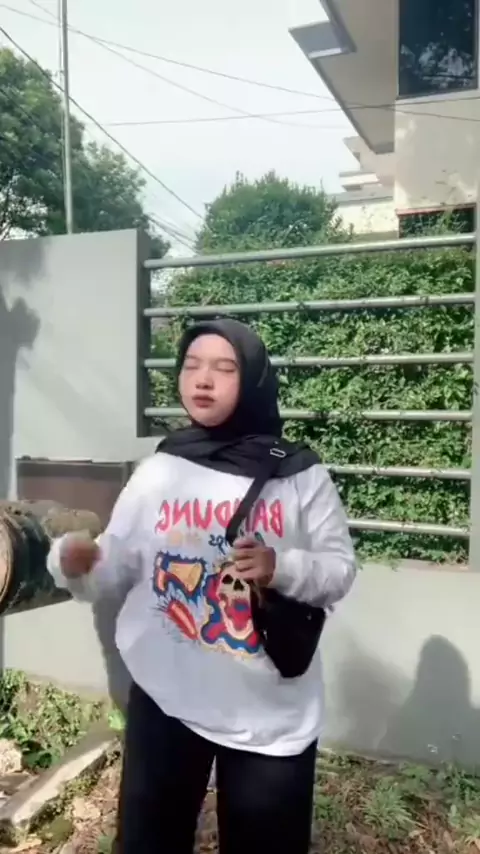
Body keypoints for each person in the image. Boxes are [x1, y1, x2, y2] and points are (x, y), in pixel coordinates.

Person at [47, 318, 356, 854]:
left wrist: (279, 567)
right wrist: (74, 564)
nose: (202, 379)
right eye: (191, 365)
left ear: (254, 379)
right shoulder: (161, 469)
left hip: (267, 715)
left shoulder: (299, 474)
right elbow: (113, 569)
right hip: (166, 696)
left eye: (223, 368)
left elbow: (339, 571)